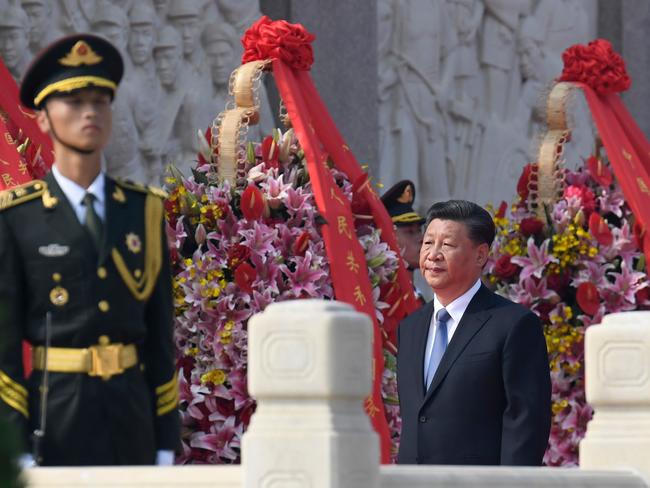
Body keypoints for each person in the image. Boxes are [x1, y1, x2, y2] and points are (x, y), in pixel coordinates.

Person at [0, 34, 180, 466]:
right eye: (75, 101)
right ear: (43, 119)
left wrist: (165, 441)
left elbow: (159, 339)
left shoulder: (144, 211)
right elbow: (4, 350)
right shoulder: (17, 217)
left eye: (100, 101)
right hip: (55, 416)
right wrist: (16, 447)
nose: (89, 112)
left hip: (130, 418)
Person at [396, 200, 551, 465]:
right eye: (427, 243)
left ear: (480, 255)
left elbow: (526, 424)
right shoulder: (410, 328)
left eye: (447, 245)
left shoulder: (513, 324)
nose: (433, 254)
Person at [380, 180, 430, 303]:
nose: (422, 238)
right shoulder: (387, 300)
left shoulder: (415, 296)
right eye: (410, 232)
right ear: (388, 239)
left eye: (419, 230)